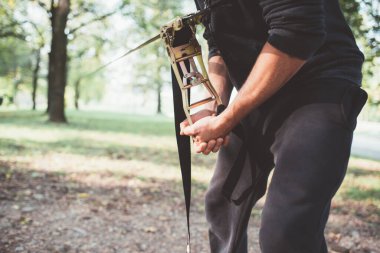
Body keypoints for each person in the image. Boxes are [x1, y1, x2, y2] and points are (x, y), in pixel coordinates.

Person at [180, 0, 368, 252]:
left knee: (286, 230)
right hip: (260, 91)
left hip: (319, 86)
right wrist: (210, 106)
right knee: (223, 202)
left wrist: (226, 120)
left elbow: (298, 30)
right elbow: (219, 44)